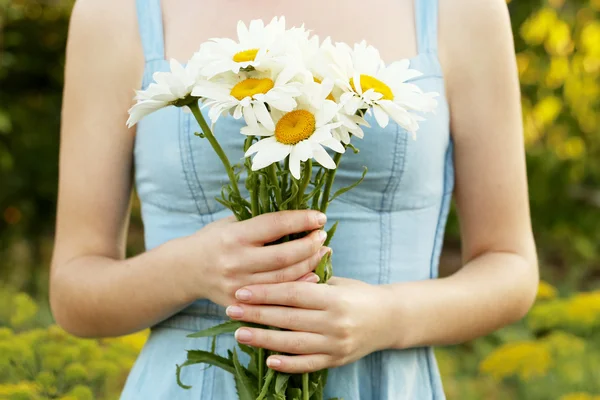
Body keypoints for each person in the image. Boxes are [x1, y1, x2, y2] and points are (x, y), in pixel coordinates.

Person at [49, 0, 539, 398]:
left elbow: (511, 267)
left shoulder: (465, 11)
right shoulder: (113, 13)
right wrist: (189, 268)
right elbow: (73, 293)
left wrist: (389, 316)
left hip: (384, 381)